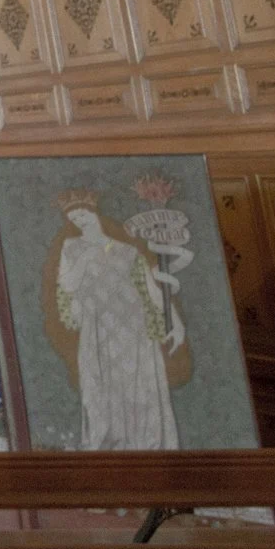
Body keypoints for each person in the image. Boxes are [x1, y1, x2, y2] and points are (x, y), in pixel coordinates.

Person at [46, 191, 181, 449]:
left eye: (82, 214)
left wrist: (176, 322)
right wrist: (86, 258)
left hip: (133, 327)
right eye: (74, 217)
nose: (79, 220)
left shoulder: (127, 250)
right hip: (99, 327)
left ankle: (145, 445)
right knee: (99, 388)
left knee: (137, 386)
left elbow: (151, 290)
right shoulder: (72, 247)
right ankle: (108, 448)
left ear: (94, 213)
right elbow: (68, 284)